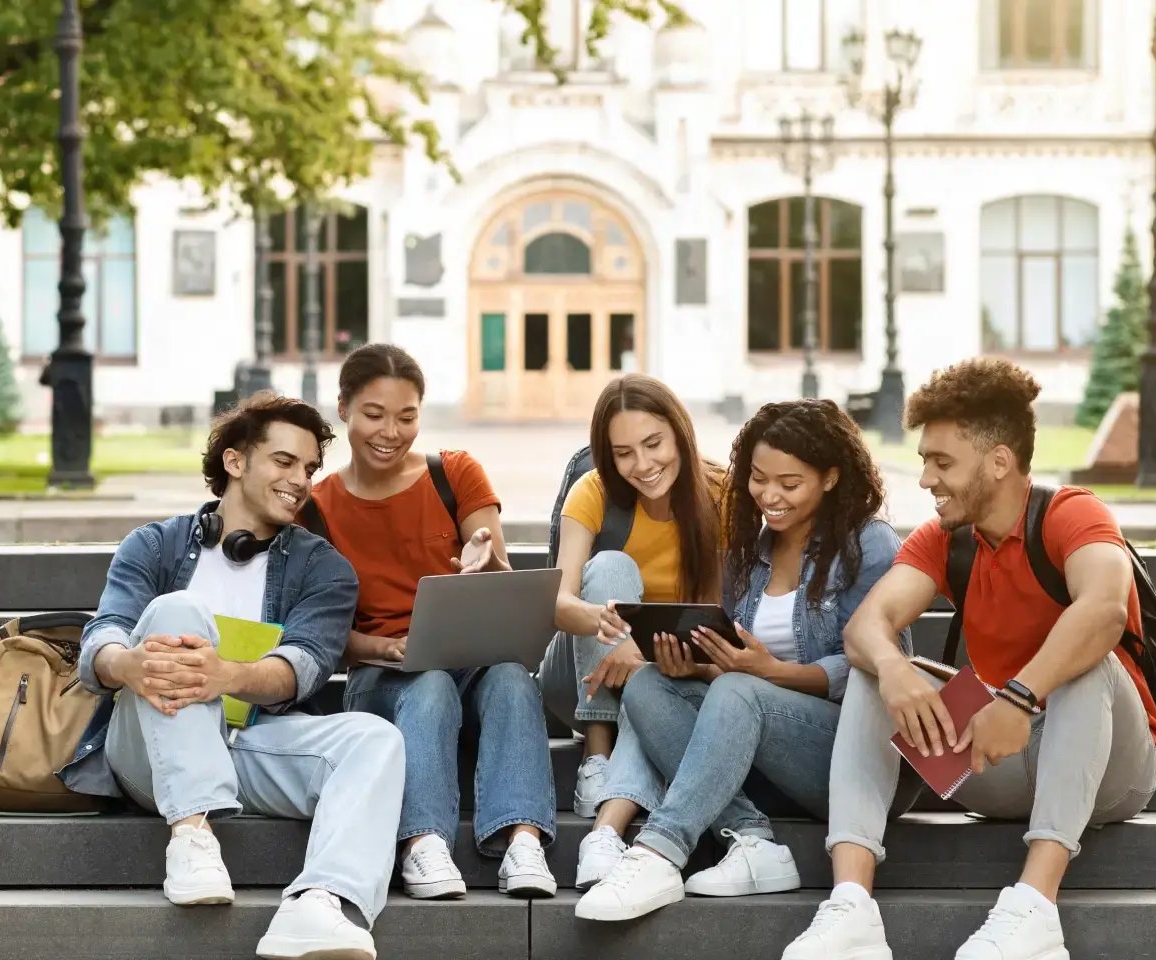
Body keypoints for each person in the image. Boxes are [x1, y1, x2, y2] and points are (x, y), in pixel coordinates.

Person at [780, 358, 1156, 960]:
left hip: (1111, 771)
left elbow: (1103, 611)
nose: (926, 480)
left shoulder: (1072, 513)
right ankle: (851, 909)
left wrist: (1016, 698)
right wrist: (895, 674)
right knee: (874, 668)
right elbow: (867, 626)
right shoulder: (944, 536)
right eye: (924, 461)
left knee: (1087, 658)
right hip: (999, 760)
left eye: (943, 463)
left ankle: (1035, 910)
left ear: (998, 462)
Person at [59, 392, 404, 960]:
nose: (301, 480)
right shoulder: (155, 544)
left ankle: (321, 903)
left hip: (252, 743)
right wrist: (128, 664)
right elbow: (104, 635)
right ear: (235, 462)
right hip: (148, 750)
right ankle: (193, 834)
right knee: (177, 613)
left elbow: (304, 669)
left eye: (311, 468)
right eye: (284, 462)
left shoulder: (324, 569)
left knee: (376, 738)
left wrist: (225, 676)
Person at [573, 399, 904, 922]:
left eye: (789, 484)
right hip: (758, 757)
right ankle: (752, 840)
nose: (768, 496)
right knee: (648, 686)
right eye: (756, 478)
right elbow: (734, 662)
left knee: (737, 690)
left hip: (848, 758)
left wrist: (770, 672)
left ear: (832, 478)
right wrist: (696, 664)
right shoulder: (751, 548)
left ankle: (661, 849)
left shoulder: (868, 544)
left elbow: (877, 670)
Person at [314, 344, 558, 901]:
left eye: (407, 417)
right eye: (374, 414)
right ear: (344, 409)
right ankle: (421, 843)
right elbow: (323, 635)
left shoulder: (455, 472)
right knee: (426, 685)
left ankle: (522, 839)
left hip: (470, 665)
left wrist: (489, 563)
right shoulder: (318, 508)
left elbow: (504, 582)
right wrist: (384, 648)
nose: (391, 432)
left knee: (511, 680)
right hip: (384, 678)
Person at [536, 374, 724, 886]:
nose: (642, 465)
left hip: (671, 670)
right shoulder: (593, 490)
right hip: (579, 671)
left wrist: (641, 656)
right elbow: (557, 600)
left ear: (680, 434)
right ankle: (597, 755)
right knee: (611, 568)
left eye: (653, 444)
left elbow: (729, 617)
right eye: (623, 453)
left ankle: (605, 836)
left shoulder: (721, 495)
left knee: (650, 690)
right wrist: (609, 625)